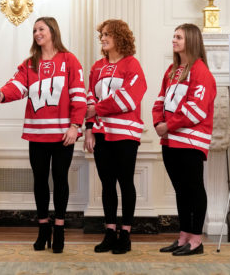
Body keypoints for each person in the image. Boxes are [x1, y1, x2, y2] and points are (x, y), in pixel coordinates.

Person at [0, 17, 87, 254]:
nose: (37, 33)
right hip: (37, 134)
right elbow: (17, 86)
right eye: (35, 30)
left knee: (60, 180)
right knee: (39, 181)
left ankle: (59, 228)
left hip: (62, 135)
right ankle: (42, 228)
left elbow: (79, 96)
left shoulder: (69, 60)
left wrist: (75, 126)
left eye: (41, 29)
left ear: (53, 32)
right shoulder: (30, 64)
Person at [152, 23, 216, 256]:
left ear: (191, 39)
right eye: (174, 36)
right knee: (181, 190)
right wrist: (158, 123)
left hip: (190, 142)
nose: (174, 40)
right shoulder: (173, 70)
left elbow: (197, 109)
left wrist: (168, 124)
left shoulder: (201, 72)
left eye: (178, 36)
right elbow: (160, 100)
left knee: (194, 189)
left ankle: (196, 241)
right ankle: (183, 237)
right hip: (170, 141)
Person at [84, 19, 147, 254]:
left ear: (120, 37)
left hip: (126, 134)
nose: (103, 38)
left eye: (108, 34)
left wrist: (97, 110)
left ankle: (126, 234)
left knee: (125, 182)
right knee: (107, 184)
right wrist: (89, 129)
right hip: (101, 134)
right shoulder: (97, 67)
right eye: (101, 34)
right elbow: (89, 96)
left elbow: (130, 97)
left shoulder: (132, 65)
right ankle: (110, 231)